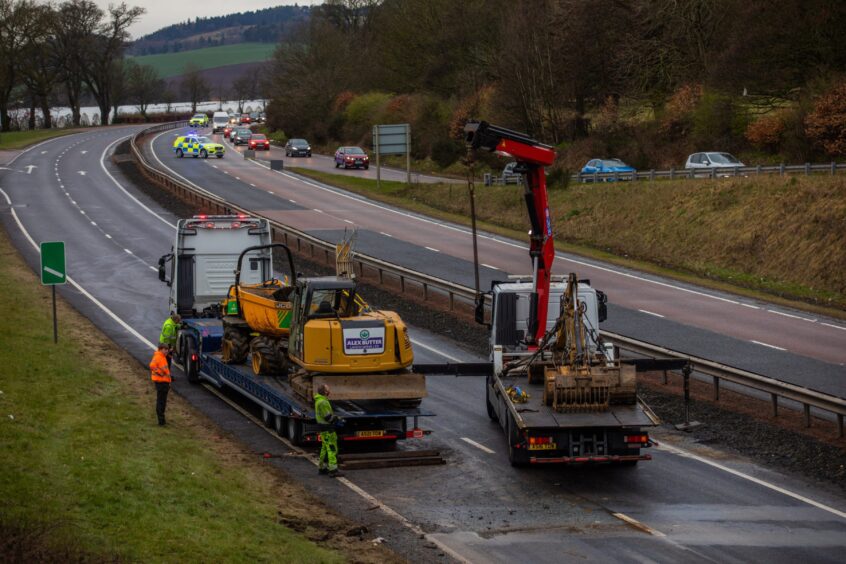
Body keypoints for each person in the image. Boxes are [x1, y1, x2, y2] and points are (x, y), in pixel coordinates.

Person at [314, 384, 344, 477]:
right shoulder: (323, 402)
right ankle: (333, 470)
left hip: (323, 428)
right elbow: (328, 417)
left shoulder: (319, 400)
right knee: (332, 448)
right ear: (325, 392)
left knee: (324, 448)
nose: (329, 390)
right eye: (328, 389)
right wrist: (338, 420)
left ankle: (322, 467)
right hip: (327, 429)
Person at [150, 343, 172, 426]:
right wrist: (160, 373)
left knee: (163, 401)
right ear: (161, 349)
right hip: (161, 382)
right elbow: (152, 365)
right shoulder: (158, 357)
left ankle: (162, 420)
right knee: (161, 402)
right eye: (165, 350)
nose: (166, 351)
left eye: (167, 350)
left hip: (164, 382)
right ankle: (161, 421)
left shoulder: (162, 357)